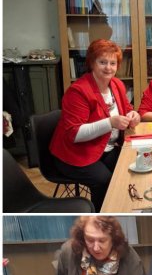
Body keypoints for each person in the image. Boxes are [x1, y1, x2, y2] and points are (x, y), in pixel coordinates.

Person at [50, 39, 141, 211]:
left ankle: (124, 208)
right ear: (92, 62)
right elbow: (74, 134)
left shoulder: (117, 84)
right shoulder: (78, 91)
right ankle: (101, 216)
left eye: (113, 63)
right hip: (74, 153)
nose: (108, 68)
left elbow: (127, 109)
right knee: (104, 180)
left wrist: (133, 115)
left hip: (104, 147)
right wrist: (110, 123)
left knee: (131, 167)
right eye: (102, 62)